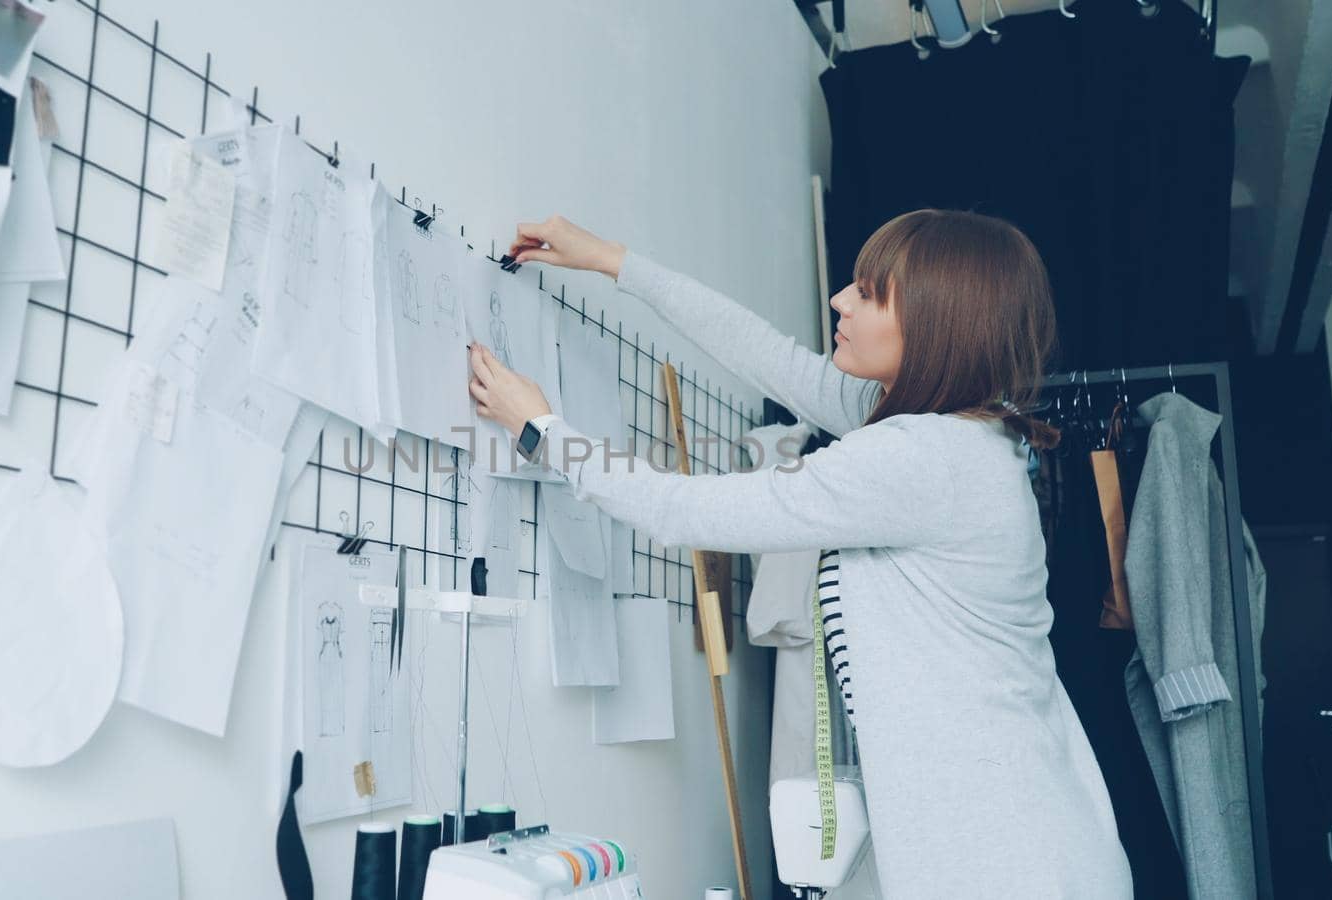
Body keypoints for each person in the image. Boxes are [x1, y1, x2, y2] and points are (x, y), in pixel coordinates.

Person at [466, 210, 1133, 898]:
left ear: (940, 324)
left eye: (871, 293)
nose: (841, 300)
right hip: (1012, 840)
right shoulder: (958, 436)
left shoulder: (922, 460)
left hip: (1010, 861)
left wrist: (543, 434)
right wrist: (614, 262)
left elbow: (683, 509)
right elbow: (775, 359)